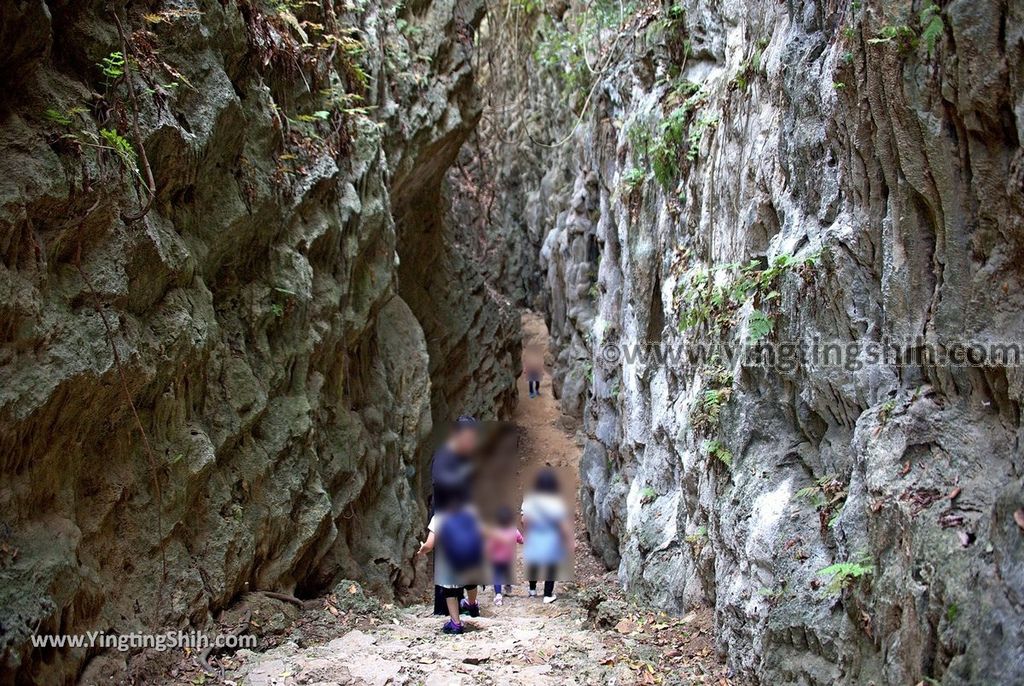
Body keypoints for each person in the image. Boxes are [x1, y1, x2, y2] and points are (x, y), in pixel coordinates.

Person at [417, 496, 484, 634]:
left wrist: (423, 549)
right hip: (470, 559)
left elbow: (430, 545)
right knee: (471, 583)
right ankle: (472, 605)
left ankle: (456, 624)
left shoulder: (439, 518)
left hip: (451, 563)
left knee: (450, 592)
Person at [521, 468, 573, 603]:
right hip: (551, 537)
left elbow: (524, 521)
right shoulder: (556, 502)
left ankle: (532, 590)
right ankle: (547, 595)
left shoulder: (530, 499)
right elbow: (562, 524)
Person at [486, 505, 523, 606]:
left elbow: (489, 546)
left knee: (497, 576)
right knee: (507, 572)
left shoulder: (494, 531)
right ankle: (507, 584)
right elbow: (521, 540)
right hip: (508, 558)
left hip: (496, 559)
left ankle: (498, 594)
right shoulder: (513, 530)